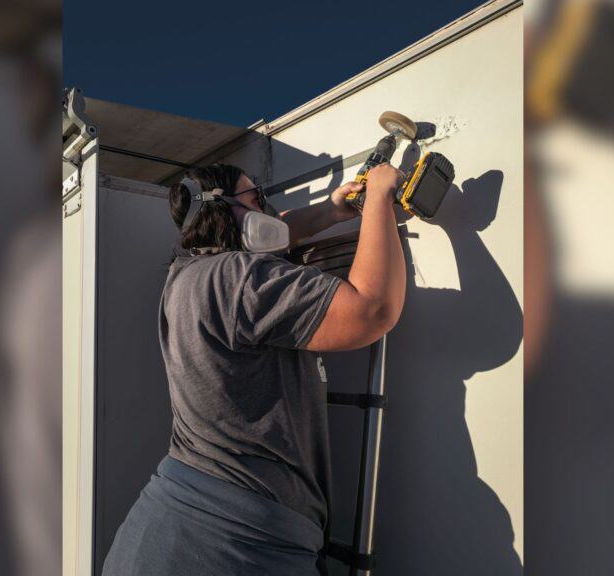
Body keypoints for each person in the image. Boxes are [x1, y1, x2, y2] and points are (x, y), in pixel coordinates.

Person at [102, 161, 407, 575]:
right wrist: (379, 200)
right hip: (232, 546)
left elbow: (269, 235)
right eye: (255, 197)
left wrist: (332, 212)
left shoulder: (188, 275)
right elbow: (372, 310)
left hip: (163, 534)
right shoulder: (238, 277)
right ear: (222, 209)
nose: (268, 207)